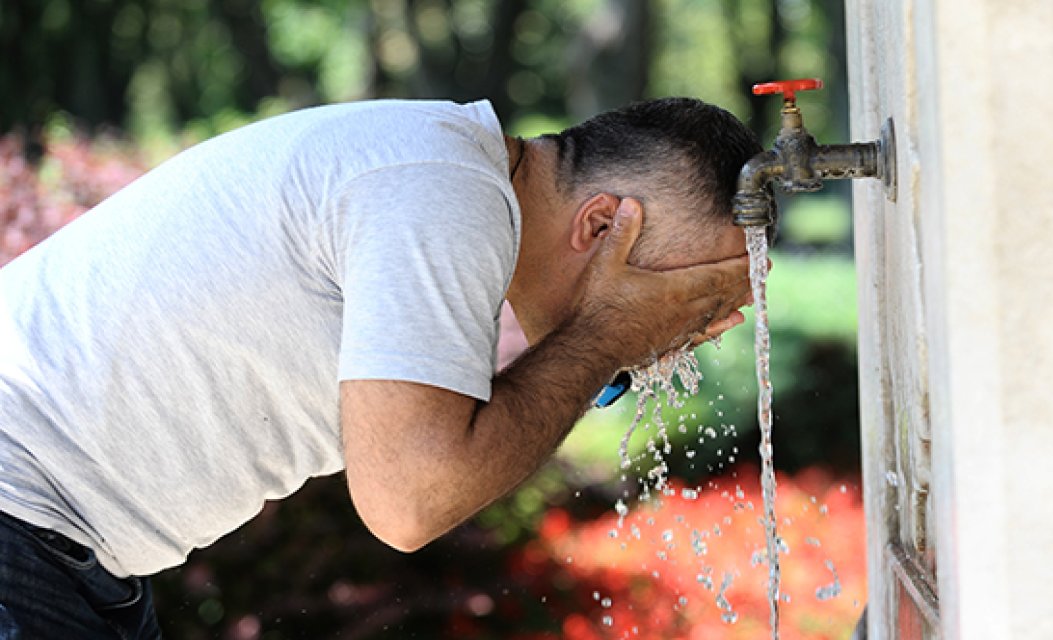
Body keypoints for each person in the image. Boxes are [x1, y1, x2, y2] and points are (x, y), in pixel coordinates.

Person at [0, 96, 763, 638]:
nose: (673, 335)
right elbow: (409, 503)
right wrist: (606, 332)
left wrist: (610, 331)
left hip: (63, 546)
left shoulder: (440, 169)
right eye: (674, 297)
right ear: (600, 224)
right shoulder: (444, 193)